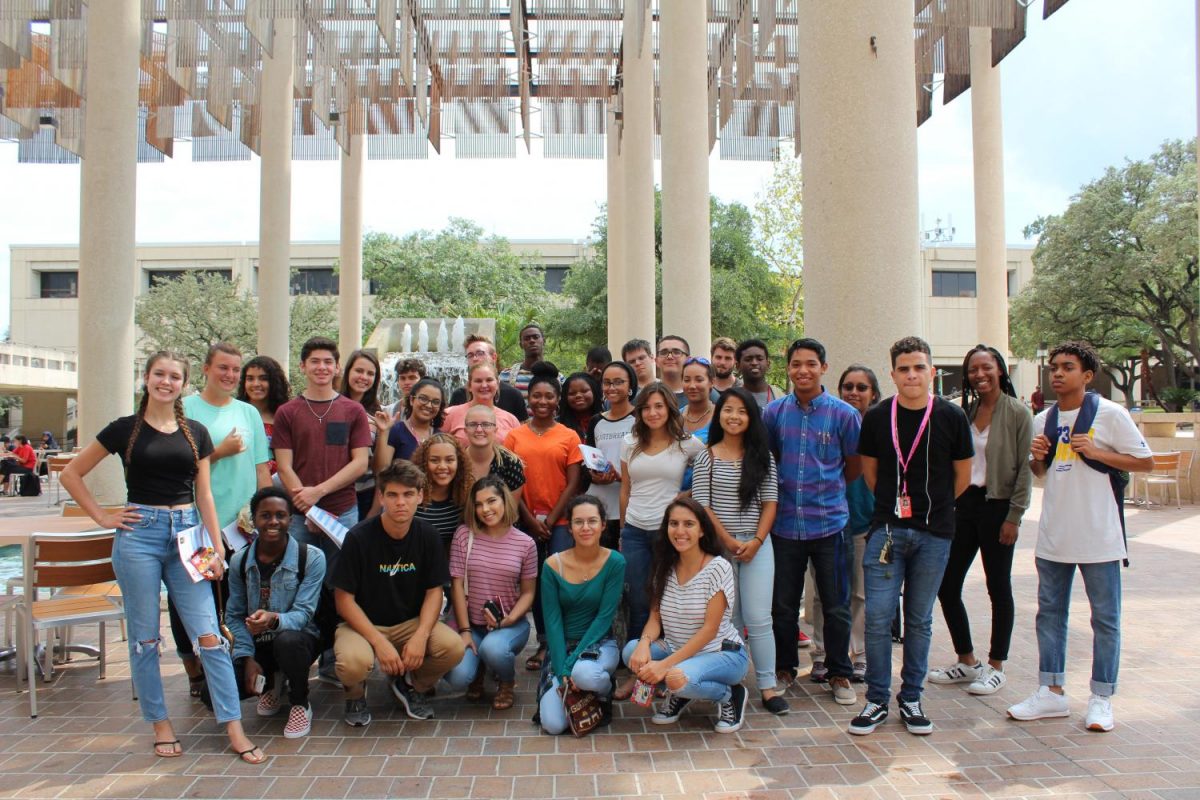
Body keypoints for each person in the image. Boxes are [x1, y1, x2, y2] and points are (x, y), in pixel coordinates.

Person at [59, 351, 264, 763]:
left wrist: (216, 544)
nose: (166, 382)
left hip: (189, 535)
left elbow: (203, 492)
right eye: (159, 375)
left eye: (174, 376)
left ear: (184, 383)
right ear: (147, 378)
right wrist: (102, 515)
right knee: (146, 639)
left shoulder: (196, 432)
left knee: (209, 634)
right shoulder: (125, 430)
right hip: (140, 536)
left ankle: (234, 726)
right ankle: (160, 723)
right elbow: (70, 473)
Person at [1006, 341, 1153, 733]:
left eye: (1067, 367)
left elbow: (1146, 461)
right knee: (1049, 615)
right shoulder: (1044, 419)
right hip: (1054, 535)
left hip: (1100, 536)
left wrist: (1101, 453)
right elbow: (1041, 473)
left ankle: (1101, 698)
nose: (1057, 373)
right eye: (1053, 367)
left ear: (1087, 376)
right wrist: (1038, 456)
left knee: (1105, 619)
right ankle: (1051, 692)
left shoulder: (1110, 414)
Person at [850, 336, 973, 736]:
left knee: (919, 620)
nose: (912, 375)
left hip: (935, 534)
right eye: (904, 368)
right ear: (893, 374)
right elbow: (870, 475)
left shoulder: (952, 417)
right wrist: (898, 506)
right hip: (887, 531)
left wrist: (929, 508)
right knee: (879, 618)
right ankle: (876, 700)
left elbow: (963, 477)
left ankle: (912, 696)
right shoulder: (877, 417)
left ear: (932, 372)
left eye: (919, 367)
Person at [762, 337, 862, 709]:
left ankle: (839, 671)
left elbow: (852, 468)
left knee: (836, 604)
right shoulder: (773, 414)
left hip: (830, 524)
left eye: (810, 363)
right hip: (784, 525)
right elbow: (769, 461)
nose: (802, 370)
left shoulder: (843, 415)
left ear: (823, 367)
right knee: (783, 606)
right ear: (787, 369)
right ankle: (785, 668)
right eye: (795, 364)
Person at [930, 345, 1033, 696]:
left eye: (986, 368)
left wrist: (1014, 516)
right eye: (973, 370)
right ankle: (967, 660)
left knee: (998, 586)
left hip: (999, 506)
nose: (980, 375)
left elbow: (1024, 471)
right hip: (965, 506)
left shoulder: (1018, 412)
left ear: (1000, 370)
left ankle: (997, 666)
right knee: (947, 584)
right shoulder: (968, 411)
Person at [332, 461, 466, 726]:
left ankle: (410, 684)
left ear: (420, 496)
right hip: (364, 625)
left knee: (453, 648)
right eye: (392, 495)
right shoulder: (359, 537)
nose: (400, 502)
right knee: (352, 663)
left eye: (408, 494)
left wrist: (421, 635)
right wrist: (379, 643)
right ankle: (355, 695)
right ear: (381, 497)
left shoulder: (428, 535)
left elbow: (434, 592)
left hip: (409, 622)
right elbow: (343, 600)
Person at [272, 337, 371, 683]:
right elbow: (283, 466)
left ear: (336, 367)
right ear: (302, 366)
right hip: (298, 516)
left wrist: (319, 494)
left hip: (342, 514)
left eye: (328, 361)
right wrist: (305, 501)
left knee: (339, 585)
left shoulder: (352, 410)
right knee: (293, 584)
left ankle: (333, 657)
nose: (321, 368)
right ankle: (285, 665)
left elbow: (360, 463)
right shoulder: (288, 412)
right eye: (314, 361)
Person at [178, 342, 271, 696]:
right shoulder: (184, 409)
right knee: (194, 596)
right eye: (223, 368)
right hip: (196, 526)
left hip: (242, 527)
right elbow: (176, 465)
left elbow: (262, 468)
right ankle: (195, 670)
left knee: (240, 596)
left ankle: (241, 668)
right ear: (206, 369)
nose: (230, 375)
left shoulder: (248, 413)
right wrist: (219, 452)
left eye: (236, 369)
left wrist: (263, 513)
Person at [622, 498, 750, 734]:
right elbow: (654, 618)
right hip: (678, 649)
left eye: (688, 524)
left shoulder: (718, 568)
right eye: (674, 524)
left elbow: (709, 630)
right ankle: (681, 692)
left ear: (702, 530)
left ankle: (730, 695)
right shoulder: (664, 565)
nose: (680, 531)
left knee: (676, 677)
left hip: (722, 653)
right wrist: (643, 643)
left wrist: (664, 666)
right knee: (631, 653)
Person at [692, 387, 784, 714]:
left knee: (759, 618)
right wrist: (729, 542)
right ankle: (733, 682)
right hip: (719, 549)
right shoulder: (707, 456)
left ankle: (768, 686)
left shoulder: (764, 456)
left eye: (742, 412)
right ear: (720, 415)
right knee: (728, 618)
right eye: (728, 410)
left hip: (758, 545)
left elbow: (771, 502)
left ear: (751, 418)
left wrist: (757, 541)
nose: (734, 417)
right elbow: (702, 505)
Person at [224, 487, 325, 739]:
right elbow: (234, 615)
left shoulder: (311, 557)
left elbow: (303, 614)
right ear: (254, 520)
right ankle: (271, 681)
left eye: (280, 515)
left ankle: (300, 702)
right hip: (257, 642)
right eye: (265, 515)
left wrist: (273, 620)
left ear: (291, 520)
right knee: (213, 692)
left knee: (288, 641)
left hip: (299, 638)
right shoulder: (239, 561)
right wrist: (247, 658)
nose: (273, 522)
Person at [504, 362, 584, 669]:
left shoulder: (569, 435)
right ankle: (544, 644)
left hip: (561, 522)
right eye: (536, 396)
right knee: (533, 582)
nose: (541, 401)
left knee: (561, 581)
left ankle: (564, 641)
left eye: (548, 396)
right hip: (525, 522)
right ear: (528, 399)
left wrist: (550, 520)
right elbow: (512, 483)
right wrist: (529, 519)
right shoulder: (514, 437)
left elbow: (574, 482)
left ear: (557, 400)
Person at [806, 365, 881, 684]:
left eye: (861, 387)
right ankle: (821, 654)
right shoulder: (833, 424)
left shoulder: (879, 431)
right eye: (847, 386)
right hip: (825, 523)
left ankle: (859, 654)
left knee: (860, 594)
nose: (853, 392)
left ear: (873, 394)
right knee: (822, 593)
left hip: (865, 523)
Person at [619, 383, 705, 647]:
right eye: (646, 407)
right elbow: (625, 489)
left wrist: (686, 495)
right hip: (634, 530)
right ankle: (636, 657)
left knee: (666, 596)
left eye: (659, 406)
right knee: (637, 597)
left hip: (668, 532)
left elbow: (708, 471)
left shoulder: (686, 443)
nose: (652, 413)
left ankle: (667, 654)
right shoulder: (629, 442)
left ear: (669, 408)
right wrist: (623, 530)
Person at [443, 477, 538, 710]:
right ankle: (478, 668)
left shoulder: (525, 543)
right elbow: (456, 584)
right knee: (457, 678)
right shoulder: (464, 535)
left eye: (491, 501)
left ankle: (506, 681)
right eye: (478, 504)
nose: (485, 509)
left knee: (493, 649)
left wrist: (510, 619)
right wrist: (464, 631)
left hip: (509, 625)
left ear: (505, 501)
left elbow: (528, 593)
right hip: (471, 624)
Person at [538, 494, 626, 734]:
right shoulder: (552, 565)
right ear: (569, 526)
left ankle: (603, 692)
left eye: (592, 521)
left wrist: (570, 665)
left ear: (603, 525)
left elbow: (604, 618)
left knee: (585, 674)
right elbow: (552, 623)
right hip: (561, 646)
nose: (585, 527)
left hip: (599, 643)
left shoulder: (615, 562)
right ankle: (583, 691)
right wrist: (560, 667)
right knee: (554, 725)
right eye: (578, 522)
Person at [586, 361, 638, 550]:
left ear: (630, 386)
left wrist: (621, 477)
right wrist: (594, 475)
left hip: (629, 506)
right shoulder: (596, 421)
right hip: (599, 503)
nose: (612, 387)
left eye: (618, 382)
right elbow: (591, 457)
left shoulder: (641, 418)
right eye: (607, 383)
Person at [339, 349, 387, 518]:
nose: (364, 377)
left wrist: (383, 432)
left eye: (370, 374)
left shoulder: (377, 414)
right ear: (348, 372)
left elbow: (379, 468)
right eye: (359, 371)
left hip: (366, 494)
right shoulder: (332, 408)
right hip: (335, 492)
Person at [410, 432, 472, 555]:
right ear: (423, 463)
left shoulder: (466, 494)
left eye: (449, 460)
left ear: (459, 463)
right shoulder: (412, 494)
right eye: (434, 460)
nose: (442, 466)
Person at [448, 335, 528, 421]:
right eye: (470, 355)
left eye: (480, 353)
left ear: (494, 357)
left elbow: (521, 430)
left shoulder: (513, 395)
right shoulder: (459, 395)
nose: (475, 358)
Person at [443, 361, 521, 449]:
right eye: (478, 381)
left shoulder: (511, 420)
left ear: (497, 384)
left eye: (489, 380)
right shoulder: (450, 415)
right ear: (469, 386)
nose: (484, 385)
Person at [236, 354, 290, 476]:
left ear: (274, 382)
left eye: (263, 378)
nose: (256, 384)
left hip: (280, 485)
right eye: (250, 378)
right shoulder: (234, 413)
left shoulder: (285, 416)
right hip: (241, 481)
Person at [462, 404, 526, 501]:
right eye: (473, 424)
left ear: (495, 430)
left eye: (486, 424)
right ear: (465, 430)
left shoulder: (511, 464)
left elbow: (511, 511)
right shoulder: (456, 461)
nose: (479, 430)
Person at [376, 377, 445, 464]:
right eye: (423, 398)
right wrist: (383, 432)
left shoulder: (441, 437)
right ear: (412, 400)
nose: (429, 405)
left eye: (435, 402)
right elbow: (381, 471)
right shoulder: (396, 431)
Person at [736, 339, 784, 410]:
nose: (754, 363)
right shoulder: (731, 398)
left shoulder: (781, 398)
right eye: (748, 359)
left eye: (759, 359)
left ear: (768, 364)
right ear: (738, 366)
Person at [502, 322, 545, 398]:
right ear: (521, 345)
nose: (532, 341)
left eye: (536, 337)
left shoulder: (557, 378)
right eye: (527, 338)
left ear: (544, 341)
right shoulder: (506, 376)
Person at [558, 371, 603, 443]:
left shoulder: (606, 420)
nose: (578, 395)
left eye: (584, 391)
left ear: (594, 392)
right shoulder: (557, 425)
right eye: (572, 393)